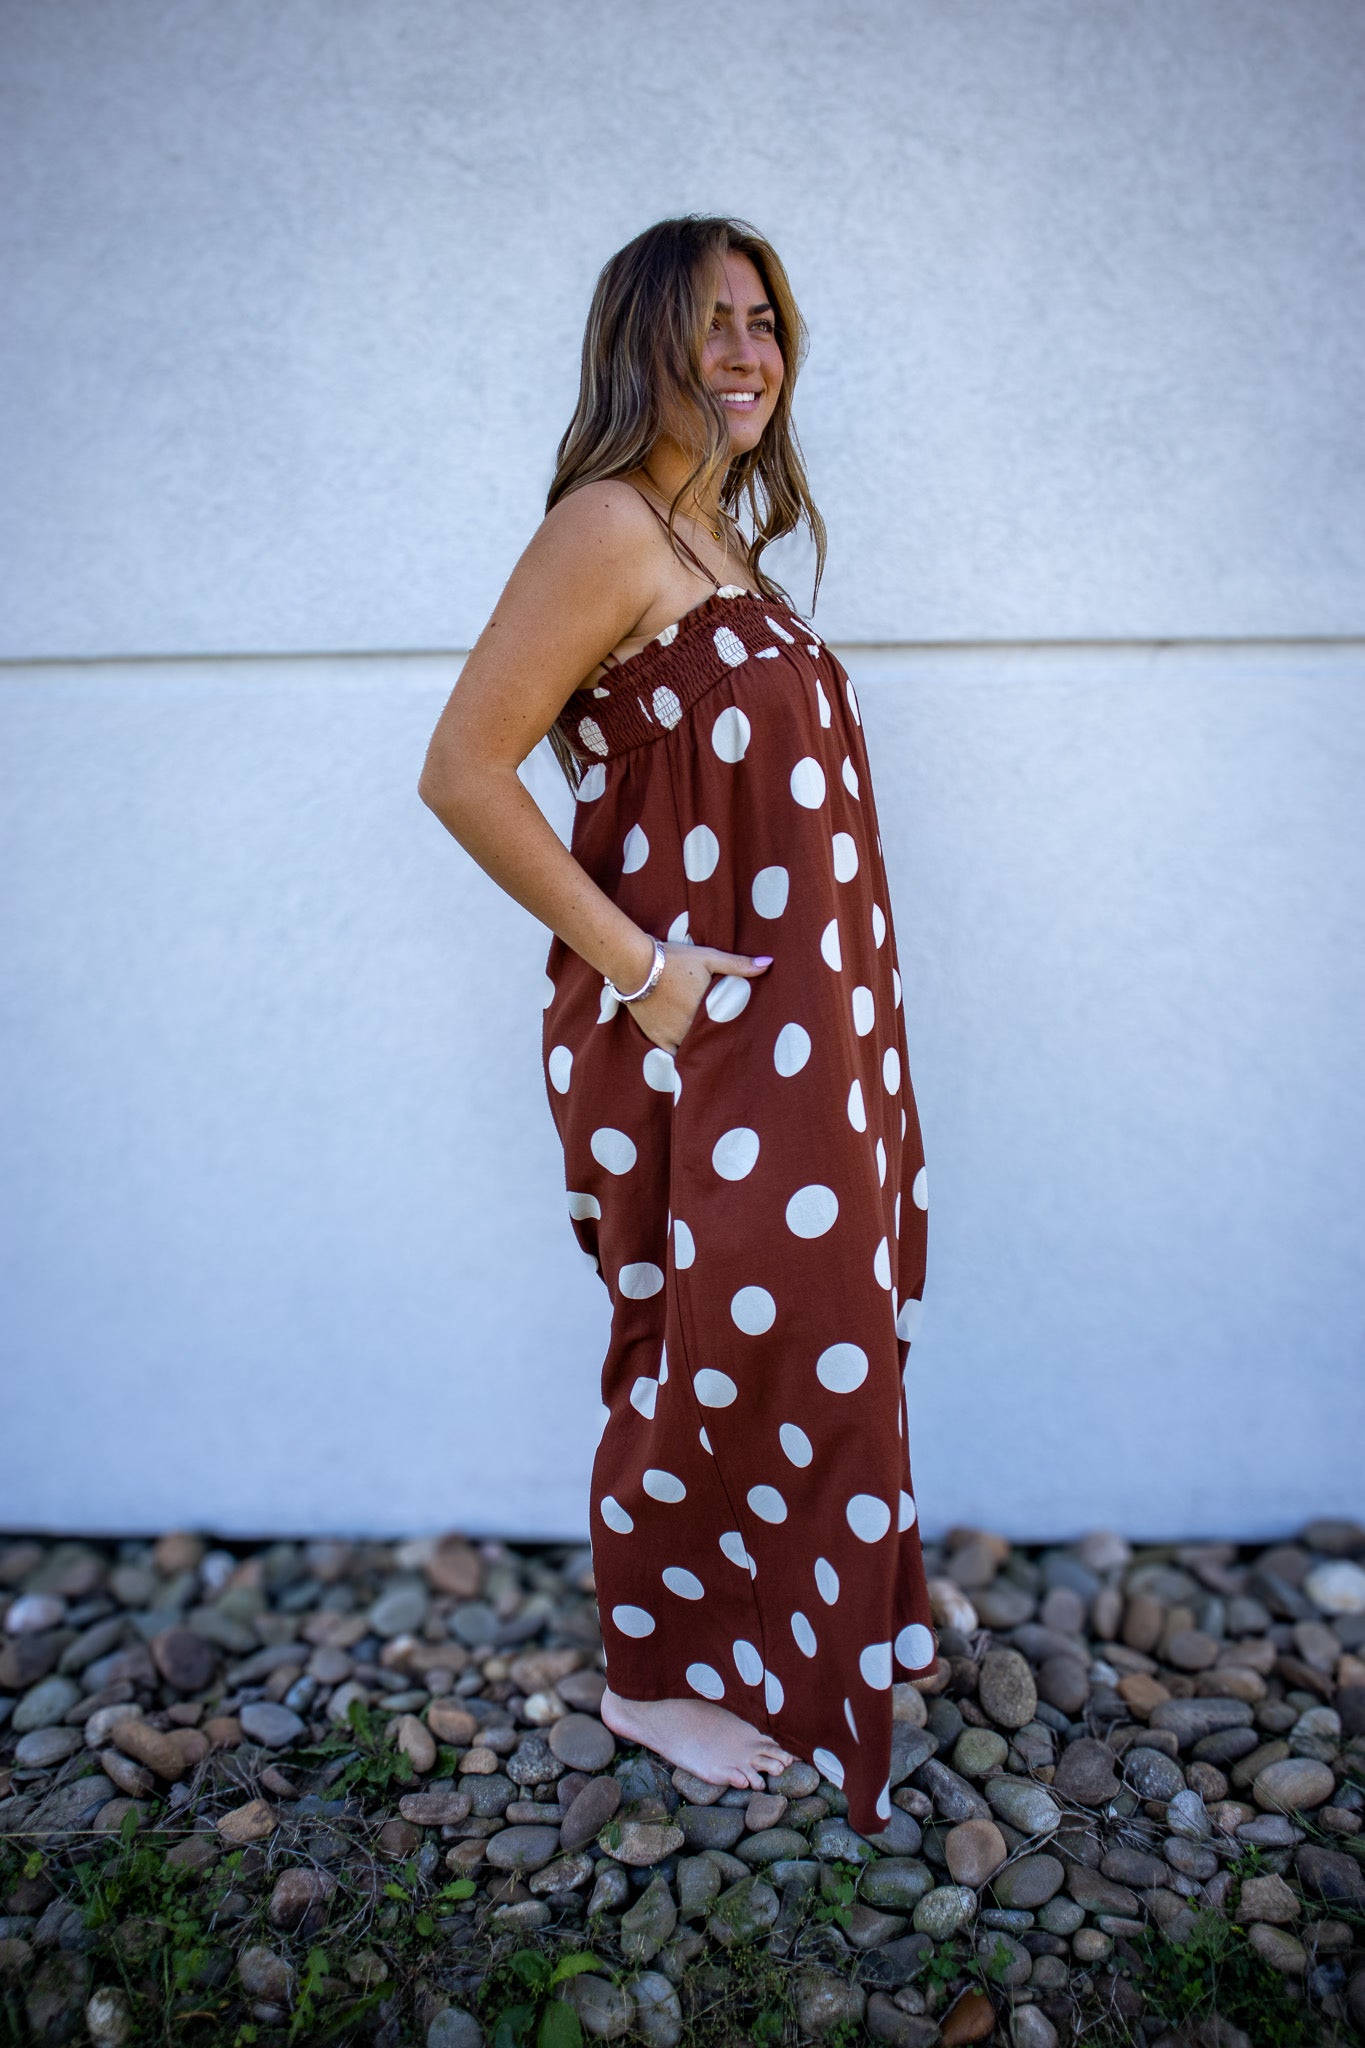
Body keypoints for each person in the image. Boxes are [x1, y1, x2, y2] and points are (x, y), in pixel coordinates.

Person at [418, 215, 939, 1835]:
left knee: (823, 1316)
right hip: (691, 1029)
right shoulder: (609, 527)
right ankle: (650, 1672)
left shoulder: (726, 554)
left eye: (765, 320)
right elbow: (462, 773)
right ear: (639, 338)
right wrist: (647, 979)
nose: (744, 350)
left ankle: (835, 1612)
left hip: (806, 1027)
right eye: (709, 318)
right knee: (705, 1341)